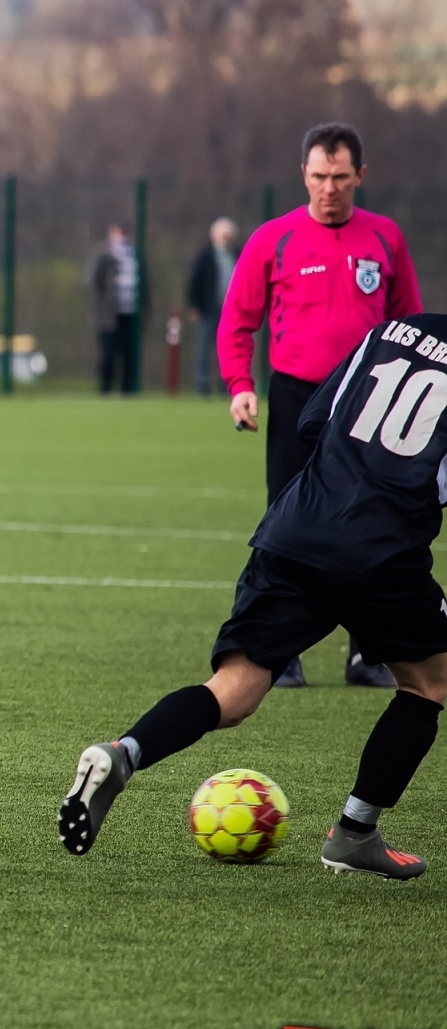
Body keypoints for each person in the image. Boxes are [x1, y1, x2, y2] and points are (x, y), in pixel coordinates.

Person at [60, 312, 447, 880]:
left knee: (233, 691)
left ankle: (124, 753)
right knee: (429, 682)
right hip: (380, 552)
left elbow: (314, 421)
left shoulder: (392, 329)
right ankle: (354, 833)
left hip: (295, 529)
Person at [219, 122, 422, 688]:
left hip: (366, 399)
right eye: (317, 177)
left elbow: (409, 325)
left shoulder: (385, 238)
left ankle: (369, 654)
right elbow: (238, 321)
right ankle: (276, 653)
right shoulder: (273, 239)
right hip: (295, 396)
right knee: (286, 523)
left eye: (339, 177)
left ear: (360, 176)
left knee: (375, 522)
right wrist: (240, 385)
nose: (328, 188)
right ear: (302, 175)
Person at [89, 223, 147, 394]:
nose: (123, 238)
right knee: (108, 355)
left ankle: (128, 392)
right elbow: (93, 283)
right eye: (119, 233)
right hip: (110, 316)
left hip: (131, 315)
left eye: (126, 234)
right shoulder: (104, 256)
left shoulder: (136, 256)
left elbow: (146, 285)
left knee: (130, 356)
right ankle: (105, 390)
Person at [185, 217, 238, 397]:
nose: (225, 237)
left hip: (232, 311)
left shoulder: (238, 255)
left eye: (228, 234)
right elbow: (194, 282)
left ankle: (227, 386)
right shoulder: (205, 256)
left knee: (229, 350)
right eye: (222, 234)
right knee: (203, 349)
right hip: (208, 309)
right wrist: (194, 306)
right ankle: (203, 386)